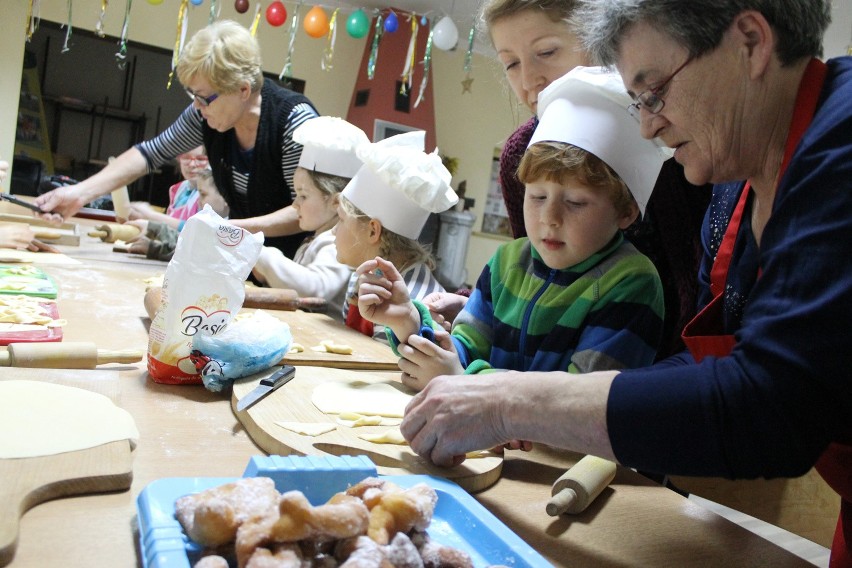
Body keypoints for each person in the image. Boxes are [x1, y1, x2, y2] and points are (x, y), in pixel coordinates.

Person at [400, 2, 852, 566]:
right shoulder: (737, 181)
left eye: (654, 92)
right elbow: (726, 361)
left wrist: (505, 400)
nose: (646, 125)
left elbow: (771, 403)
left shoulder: (841, 153)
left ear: (751, 43)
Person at [425, 0, 712, 359]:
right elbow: (537, 273)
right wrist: (480, 308)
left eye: (546, 51)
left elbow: (701, 289)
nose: (529, 80)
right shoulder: (520, 153)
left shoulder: (679, 144)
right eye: (511, 63)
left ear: (603, 40)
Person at [357, 67, 666, 392]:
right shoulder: (507, 263)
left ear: (626, 211)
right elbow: (462, 350)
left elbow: (581, 403)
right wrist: (407, 321)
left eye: (575, 202)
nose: (550, 217)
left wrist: (462, 381)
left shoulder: (630, 283)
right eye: (537, 196)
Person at [35, 20, 318, 259]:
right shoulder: (205, 114)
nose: (196, 106)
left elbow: (303, 212)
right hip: (242, 256)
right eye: (192, 95)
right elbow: (150, 153)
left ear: (243, 89)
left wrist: (228, 228)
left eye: (204, 97)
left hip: (288, 266)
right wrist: (78, 195)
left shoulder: (294, 124)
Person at [335, 131, 456, 339]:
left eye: (341, 220)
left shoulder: (413, 300)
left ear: (373, 231)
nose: (333, 230)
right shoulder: (362, 279)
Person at [252, 117, 366, 321]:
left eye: (303, 195)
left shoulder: (337, 243)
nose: (295, 204)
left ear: (335, 201)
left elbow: (315, 288)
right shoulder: (317, 238)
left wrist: (263, 255)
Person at [125, 167, 229, 262]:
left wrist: (155, 249)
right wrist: (153, 227)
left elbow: (197, 254)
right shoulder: (209, 224)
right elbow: (186, 239)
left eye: (203, 194)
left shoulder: (230, 231)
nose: (198, 201)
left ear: (226, 197)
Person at [126, 147, 207, 230]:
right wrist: (142, 216)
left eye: (200, 159)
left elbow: (198, 230)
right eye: (186, 158)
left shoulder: (214, 192)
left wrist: (150, 215)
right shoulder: (178, 189)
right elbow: (170, 230)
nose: (192, 165)